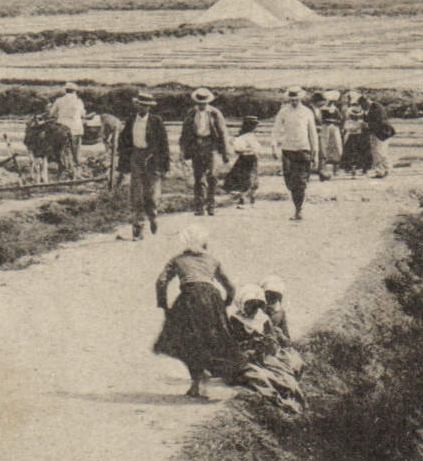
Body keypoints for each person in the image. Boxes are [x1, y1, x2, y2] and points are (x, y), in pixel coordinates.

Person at [153, 226, 239, 399]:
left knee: (187, 340)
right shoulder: (212, 260)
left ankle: (195, 384)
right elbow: (230, 287)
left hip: (189, 299)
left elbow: (161, 281)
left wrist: (164, 305)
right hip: (212, 299)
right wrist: (225, 304)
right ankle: (216, 376)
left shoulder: (177, 260)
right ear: (204, 243)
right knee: (214, 338)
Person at [226, 284, 305, 413]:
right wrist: (249, 347)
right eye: (250, 305)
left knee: (285, 377)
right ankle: (280, 402)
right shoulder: (235, 320)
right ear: (241, 304)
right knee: (262, 378)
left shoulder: (262, 319)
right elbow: (231, 345)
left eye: (257, 306)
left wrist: (265, 344)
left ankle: (295, 400)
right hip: (246, 359)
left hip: (264, 357)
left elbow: (272, 341)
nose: (254, 310)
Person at [115, 91, 171, 239]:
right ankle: (138, 227)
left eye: (146, 106)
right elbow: (124, 141)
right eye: (140, 105)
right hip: (136, 158)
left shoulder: (156, 121)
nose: (143, 108)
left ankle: (152, 216)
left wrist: (165, 165)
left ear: (150, 107)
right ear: (137, 105)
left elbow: (164, 144)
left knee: (151, 194)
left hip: (153, 159)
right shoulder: (131, 120)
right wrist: (123, 161)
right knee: (136, 194)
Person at [178, 87, 232, 216]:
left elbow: (223, 132)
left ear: (208, 102)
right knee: (199, 177)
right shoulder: (191, 113)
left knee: (212, 175)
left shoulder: (215, 113)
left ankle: (211, 205)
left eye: (204, 103)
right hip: (196, 146)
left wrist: (225, 153)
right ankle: (199, 207)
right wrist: (182, 150)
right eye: (199, 103)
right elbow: (185, 133)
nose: (202, 105)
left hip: (212, 146)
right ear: (196, 102)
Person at [270, 86, 321, 221]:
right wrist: (274, 146)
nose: (294, 102)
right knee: (290, 182)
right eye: (292, 99)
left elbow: (312, 133)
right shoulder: (283, 112)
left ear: (301, 98)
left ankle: (299, 210)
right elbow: (275, 130)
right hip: (287, 150)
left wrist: (315, 152)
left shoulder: (307, 112)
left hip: (303, 150)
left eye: (296, 99)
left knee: (301, 181)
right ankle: (297, 206)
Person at [221, 115, 263, 207]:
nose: (255, 128)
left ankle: (251, 200)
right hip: (246, 159)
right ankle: (243, 199)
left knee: (252, 179)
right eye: (253, 126)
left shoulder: (251, 136)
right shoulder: (243, 137)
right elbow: (237, 149)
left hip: (252, 159)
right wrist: (248, 150)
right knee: (246, 179)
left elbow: (258, 149)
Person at [50, 82, 86, 169]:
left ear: (66, 90)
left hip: (61, 128)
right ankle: (76, 163)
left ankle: (61, 164)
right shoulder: (79, 101)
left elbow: (52, 113)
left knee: (59, 147)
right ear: (75, 91)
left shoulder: (59, 100)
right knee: (76, 148)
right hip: (75, 128)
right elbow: (83, 114)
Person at [363, 93, 394, 178]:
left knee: (379, 151)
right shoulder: (375, 107)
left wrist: (368, 125)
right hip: (381, 132)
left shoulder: (375, 108)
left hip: (381, 132)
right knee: (380, 151)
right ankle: (385, 169)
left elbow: (377, 121)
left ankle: (381, 170)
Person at [316, 90, 344, 180]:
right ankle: (323, 169)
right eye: (330, 101)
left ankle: (336, 169)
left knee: (336, 147)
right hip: (326, 128)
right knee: (325, 147)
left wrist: (337, 122)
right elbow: (320, 119)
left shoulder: (335, 109)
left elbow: (340, 118)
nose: (331, 103)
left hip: (334, 129)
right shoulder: (323, 109)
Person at [340, 102, 372, 175]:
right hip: (352, 137)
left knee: (359, 152)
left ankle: (361, 168)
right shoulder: (349, 121)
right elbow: (346, 127)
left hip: (359, 137)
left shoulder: (361, 120)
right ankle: (351, 168)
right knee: (351, 152)